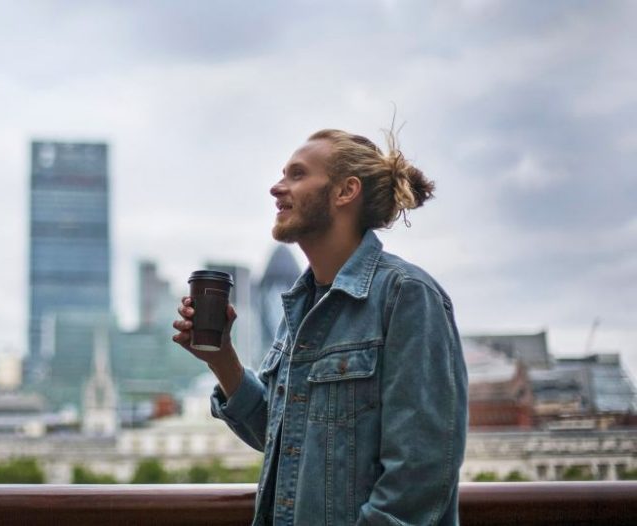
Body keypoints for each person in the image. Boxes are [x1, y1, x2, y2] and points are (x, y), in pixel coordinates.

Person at [172, 128, 468, 525]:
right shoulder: (300, 306)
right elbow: (287, 440)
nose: (277, 188)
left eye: (297, 174)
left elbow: (419, 475)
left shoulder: (406, 296)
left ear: (346, 191)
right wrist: (222, 359)